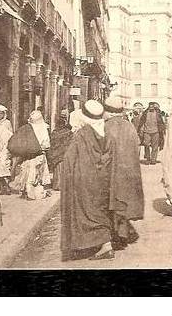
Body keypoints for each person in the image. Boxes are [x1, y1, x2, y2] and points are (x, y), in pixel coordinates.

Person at [60, 100, 114, 261]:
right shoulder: (106, 131)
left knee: (85, 212)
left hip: (84, 180)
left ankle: (102, 245)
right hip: (103, 179)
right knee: (99, 210)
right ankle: (103, 244)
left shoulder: (82, 134)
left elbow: (70, 158)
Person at [103, 95, 144, 250]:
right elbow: (137, 145)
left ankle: (118, 237)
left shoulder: (106, 127)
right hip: (129, 171)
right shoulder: (129, 126)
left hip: (113, 172)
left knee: (112, 203)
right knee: (124, 203)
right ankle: (124, 233)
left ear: (109, 112)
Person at [9, 110, 52, 199]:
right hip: (39, 154)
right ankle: (32, 193)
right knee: (36, 175)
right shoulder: (43, 128)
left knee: (27, 172)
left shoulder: (27, 127)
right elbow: (46, 144)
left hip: (28, 155)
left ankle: (27, 191)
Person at [46, 111, 73, 191]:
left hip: (56, 155)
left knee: (57, 170)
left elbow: (51, 143)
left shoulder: (54, 133)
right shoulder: (68, 132)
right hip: (65, 155)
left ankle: (57, 185)